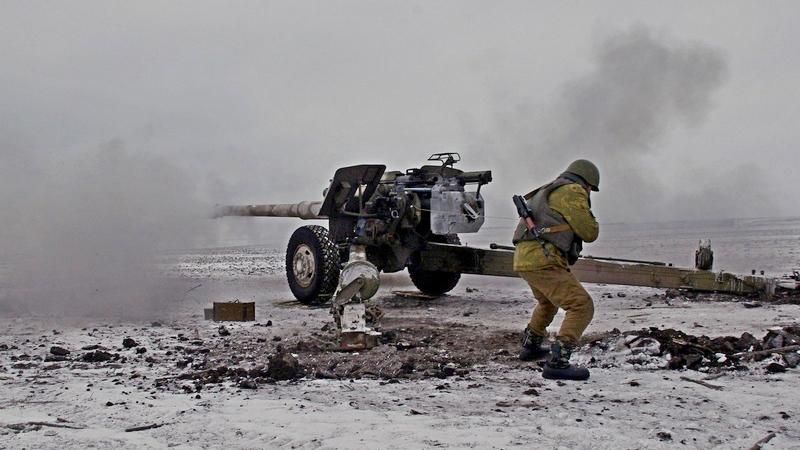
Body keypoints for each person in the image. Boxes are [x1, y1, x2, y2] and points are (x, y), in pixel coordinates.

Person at [511, 159, 600, 381]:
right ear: (586, 182)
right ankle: (558, 362)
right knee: (581, 305)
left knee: (547, 302)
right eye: (590, 189)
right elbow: (590, 232)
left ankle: (530, 346)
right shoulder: (572, 191)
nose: (588, 192)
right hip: (544, 258)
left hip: (525, 258)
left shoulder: (545, 190)